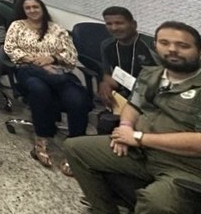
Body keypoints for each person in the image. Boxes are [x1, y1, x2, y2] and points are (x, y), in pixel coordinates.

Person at [64, 21, 201, 214]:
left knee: (155, 203)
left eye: (183, 45)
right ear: (155, 46)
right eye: (164, 43)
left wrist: (138, 138)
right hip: (140, 152)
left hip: (183, 165)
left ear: (199, 51)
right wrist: (126, 126)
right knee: (74, 148)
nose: (172, 49)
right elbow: (133, 105)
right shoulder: (150, 74)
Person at [4, 0, 92, 175]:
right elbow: (10, 48)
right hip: (29, 70)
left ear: (42, 8)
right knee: (39, 89)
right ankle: (41, 140)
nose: (32, 10)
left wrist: (51, 58)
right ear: (23, 10)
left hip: (58, 71)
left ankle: (75, 148)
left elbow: (71, 55)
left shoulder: (56, 29)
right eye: (28, 7)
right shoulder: (17, 26)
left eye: (35, 7)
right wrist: (37, 61)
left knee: (78, 100)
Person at [98, 6, 157, 109]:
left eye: (119, 23)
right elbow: (108, 74)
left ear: (134, 24)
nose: (114, 28)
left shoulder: (152, 45)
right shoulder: (106, 45)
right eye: (109, 24)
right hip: (124, 94)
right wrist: (106, 84)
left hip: (152, 97)